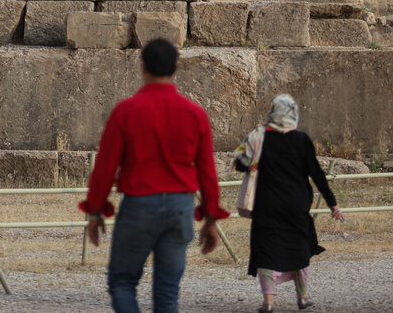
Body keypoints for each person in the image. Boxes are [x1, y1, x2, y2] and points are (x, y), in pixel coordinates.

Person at [80, 38, 229, 313]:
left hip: (139, 205)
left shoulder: (126, 111)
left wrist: (95, 210)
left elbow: (104, 168)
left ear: (143, 67)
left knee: (123, 283)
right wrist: (210, 218)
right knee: (168, 293)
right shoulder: (195, 114)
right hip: (180, 208)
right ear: (175, 69)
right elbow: (208, 172)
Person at [234, 94, 345, 312]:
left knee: (266, 252)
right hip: (296, 206)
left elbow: (240, 164)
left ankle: (268, 303)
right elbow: (317, 174)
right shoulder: (302, 140)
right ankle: (302, 298)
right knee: (300, 250)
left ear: (272, 112)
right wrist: (333, 204)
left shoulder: (259, 136)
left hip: (266, 206)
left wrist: (253, 163)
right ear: (293, 113)